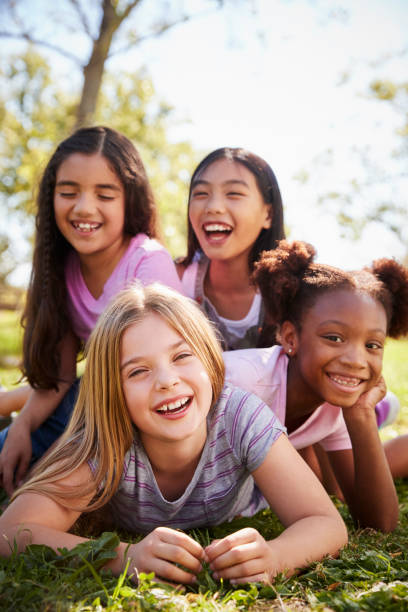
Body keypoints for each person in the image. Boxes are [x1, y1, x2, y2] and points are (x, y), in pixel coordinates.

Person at [0, 283, 347, 585]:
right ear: (114, 392)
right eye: (138, 371)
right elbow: (11, 532)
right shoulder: (106, 439)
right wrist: (122, 557)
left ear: (210, 361)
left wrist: (276, 556)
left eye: (181, 356)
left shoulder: (241, 416)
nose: (167, 380)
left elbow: (325, 523)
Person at [0, 126, 182, 495]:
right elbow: (62, 376)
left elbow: (163, 374)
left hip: (140, 420)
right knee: (7, 447)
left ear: (129, 200)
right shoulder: (61, 268)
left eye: (105, 194)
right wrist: (22, 428)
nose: (84, 207)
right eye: (68, 192)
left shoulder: (149, 263)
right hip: (81, 409)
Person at [223, 240, 408, 533]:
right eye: (334, 338)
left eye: (372, 345)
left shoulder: (336, 405)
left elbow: (378, 523)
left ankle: (382, 411)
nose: (356, 360)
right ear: (290, 338)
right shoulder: (242, 382)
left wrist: (361, 415)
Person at [177, 147, 285, 350]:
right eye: (201, 193)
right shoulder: (173, 282)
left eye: (234, 194)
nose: (213, 206)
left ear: (268, 215)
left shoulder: (293, 292)